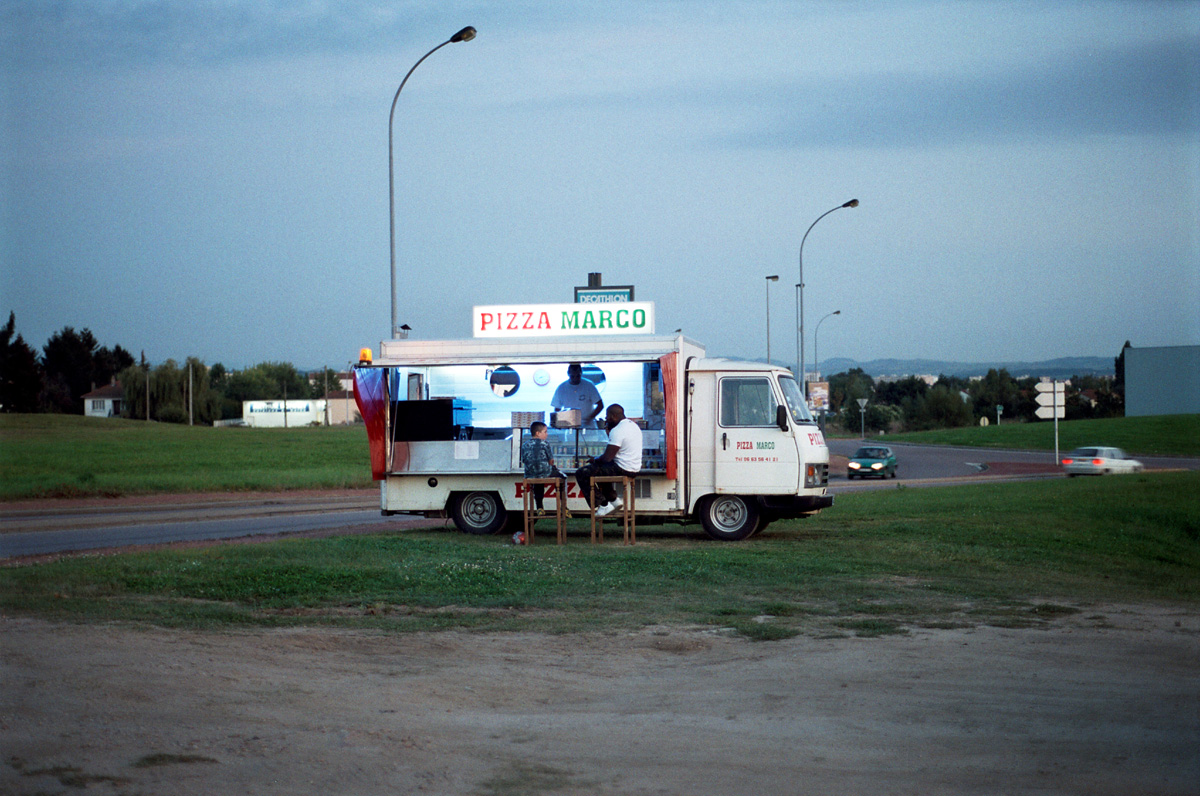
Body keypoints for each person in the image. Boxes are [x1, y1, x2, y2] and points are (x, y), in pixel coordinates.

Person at [575, 404, 641, 517]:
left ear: (614, 416)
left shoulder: (618, 430)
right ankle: (613, 499)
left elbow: (607, 458)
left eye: (607, 416)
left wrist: (595, 460)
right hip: (633, 467)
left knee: (582, 473)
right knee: (599, 469)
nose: (606, 419)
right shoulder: (633, 426)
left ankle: (603, 505)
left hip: (622, 468)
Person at [520, 421, 565, 515]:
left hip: (529, 474)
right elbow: (551, 461)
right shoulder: (545, 444)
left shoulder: (524, 445)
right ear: (538, 433)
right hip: (545, 472)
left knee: (538, 481)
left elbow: (523, 460)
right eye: (545, 432)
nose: (547, 434)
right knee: (562, 477)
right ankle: (563, 505)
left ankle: (539, 507)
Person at [551, 363, 603, 427]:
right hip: (569, 425)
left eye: (578, 376)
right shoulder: (561, 388)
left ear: (581, 373)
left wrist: (590, 418)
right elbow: (557, 408)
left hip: (588, 425)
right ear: (568, 374)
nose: (575, 379)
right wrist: (558, 422)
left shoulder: (589, 385)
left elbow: (600, 405)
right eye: (572, 376)